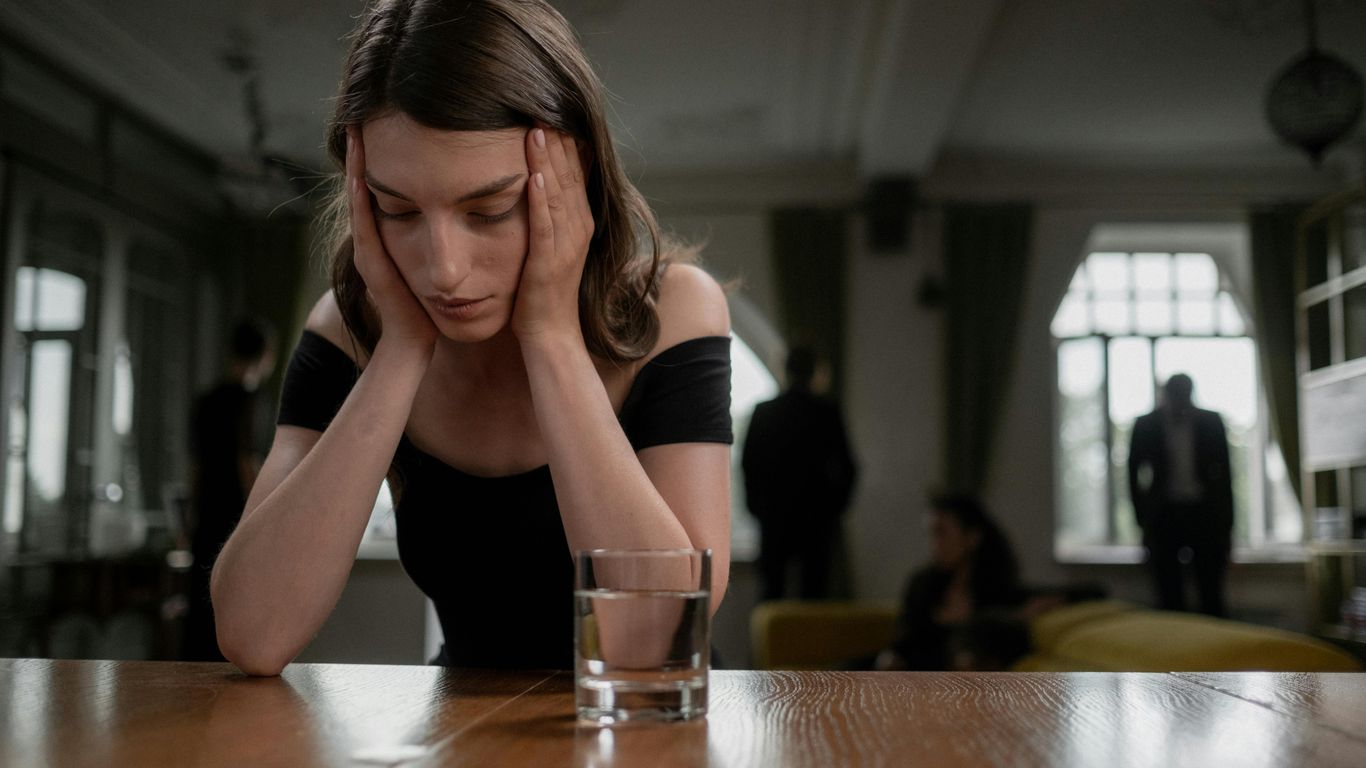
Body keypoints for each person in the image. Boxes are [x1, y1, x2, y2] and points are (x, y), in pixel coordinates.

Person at [210, 0, 733, 676]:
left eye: (488, 211)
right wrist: (399, 350)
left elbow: (652, 639)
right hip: (464, 732)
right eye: (399, 211)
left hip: (650, 732)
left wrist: (550, 337)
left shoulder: (675, 311)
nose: (444, 269)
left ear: (575, 180)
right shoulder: (348, 334)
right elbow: (253, 633)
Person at [183, 318, 276, 661]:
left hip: (207, 513)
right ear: (267, 355)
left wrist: (189, 519)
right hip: (237, 517)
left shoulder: (206, 401)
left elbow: (194, 467)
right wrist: (262, 518)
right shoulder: (253, 402)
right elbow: (247, 462)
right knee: (234, 601)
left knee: (201, 606)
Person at [742, 346, 857, 600]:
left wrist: (758, 508)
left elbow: (748, 465)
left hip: (775, 518)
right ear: (815, 371)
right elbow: (848, 467)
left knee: (771, 596)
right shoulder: (826, 411)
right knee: (813, 600)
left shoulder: (765, 412)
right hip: (816, 520)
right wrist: (835, 509)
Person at [873, 495, 1033, 671]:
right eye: (932, 533)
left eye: (942, 533)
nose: (934, 544)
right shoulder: (921, 584)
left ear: (972, 537)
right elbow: (902, 640)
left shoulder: (996, 587)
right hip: (915, 680)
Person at [1128, 373, 1234, 617]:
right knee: (1168, 595)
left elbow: (1226, 476)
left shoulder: (1211, 422)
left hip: (1204, 515)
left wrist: (1227, 526)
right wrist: (1143, 519)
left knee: (1211, 594)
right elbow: (1133, 476)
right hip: (1164, 516)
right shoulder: (1147, 425)